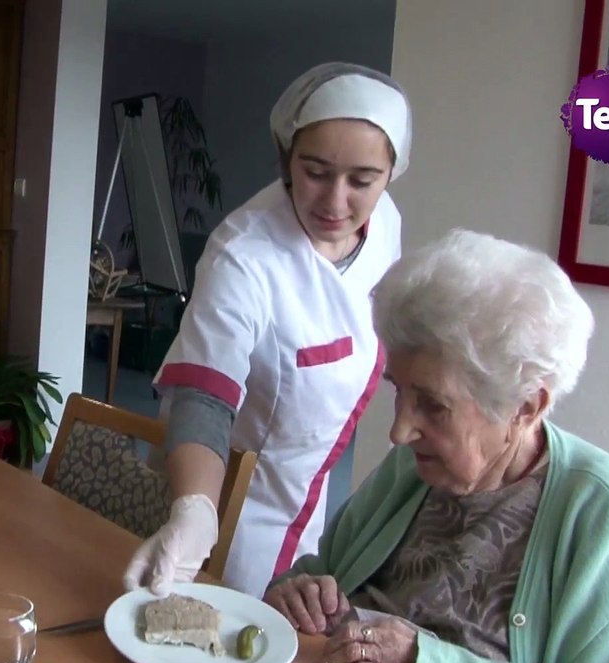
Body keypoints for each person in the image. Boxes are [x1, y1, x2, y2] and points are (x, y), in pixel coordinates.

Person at [263, 229, 609, 663]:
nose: (400, 431)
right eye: (398, 392)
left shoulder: (601, 510)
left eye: (433, 405)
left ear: (525, 407)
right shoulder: (414, 467)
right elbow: (323, 576)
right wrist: (300, 593)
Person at [123, 62, 414, 597]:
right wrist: (194, 513)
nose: (334, 201)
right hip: (230, 505)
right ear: (285, 158)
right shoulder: (245, 255)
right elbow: (205, 396)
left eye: (362, 180)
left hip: (311, 490)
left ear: (391, 173)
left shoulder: (386, 224)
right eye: (315, 171)